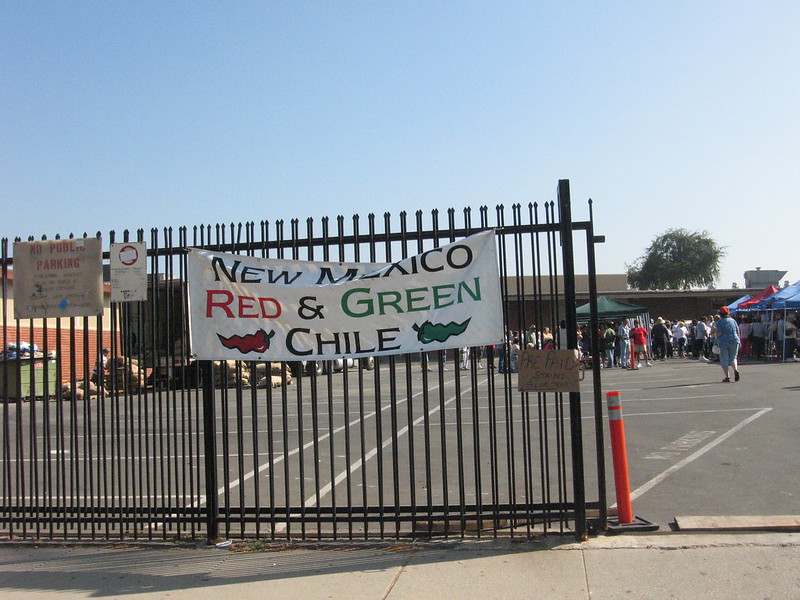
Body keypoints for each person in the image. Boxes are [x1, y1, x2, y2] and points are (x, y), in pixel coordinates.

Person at [714, 306, 740, 382]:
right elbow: (737, 331)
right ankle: (735, 369)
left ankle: (727, 376)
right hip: (734, 340)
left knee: (724, 359)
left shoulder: (719, 322)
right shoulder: (733, 321)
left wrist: (715, 333)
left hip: (723, 342)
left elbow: (719, 333)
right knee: (733, 357)